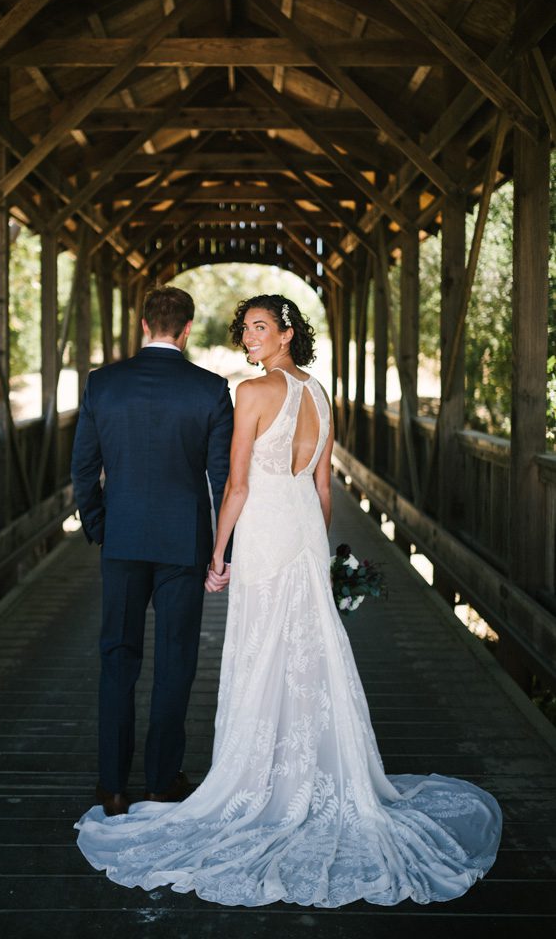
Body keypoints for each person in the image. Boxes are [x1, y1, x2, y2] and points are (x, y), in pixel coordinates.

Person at [75, 293, 502, 908]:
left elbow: (227, 481)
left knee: (196, 653)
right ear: (188, 329)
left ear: (286, 333)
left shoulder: (196, 389)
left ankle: (138, 786)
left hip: (215, 535)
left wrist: (204, 547)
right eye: (243, 328)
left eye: (256, 328)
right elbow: (318, 488)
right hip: (296, 532)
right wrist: (308, 550)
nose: (247, 337)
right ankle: (179, 780)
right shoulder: (308, 395)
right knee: (286, 653)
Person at [71, 286, 233, 818]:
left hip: (122, 540)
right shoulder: (210, 390)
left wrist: (101, 526)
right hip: (183, 544)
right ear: (186, 329)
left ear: (144, 325)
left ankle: (113, 786)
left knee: (117, 659)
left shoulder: (103, 384)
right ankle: (162, 783)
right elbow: (222, 479)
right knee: (176, 661)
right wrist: (221, 551)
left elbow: (83, 470)